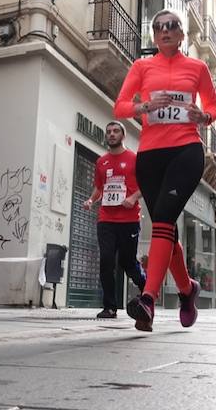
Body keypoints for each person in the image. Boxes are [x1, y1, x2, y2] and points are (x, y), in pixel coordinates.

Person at [113, 10, 216, 332]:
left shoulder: (197, 68)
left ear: (181, 35)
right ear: (153, 36)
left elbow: (214, 106)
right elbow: (119, 106)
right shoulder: (141, 67)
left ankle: (147, 298)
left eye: (171, 26)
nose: (164, 31)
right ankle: (188, 291)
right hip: (150, 154)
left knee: (162, 218)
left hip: (186, 150)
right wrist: (143, 107)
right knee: (165, 224)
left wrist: (203, 117)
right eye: (158, 27)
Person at [83, 121, 147, 319]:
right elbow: (99, 188)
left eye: (115, 131)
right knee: (106, 260)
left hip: (129, 219)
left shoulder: (134, 159)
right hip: (106, 219)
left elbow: (146, 185)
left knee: (128, 263)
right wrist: (91, 200)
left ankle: (147, 289)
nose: (111, 134)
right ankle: (110, 307)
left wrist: (133, 198)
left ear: (123, 135)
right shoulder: (101, 162)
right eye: (108, 131)